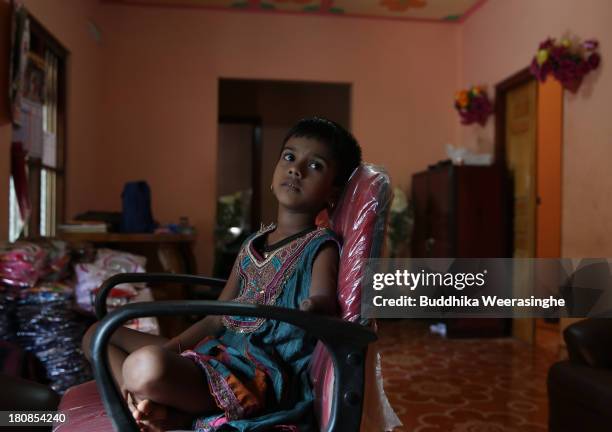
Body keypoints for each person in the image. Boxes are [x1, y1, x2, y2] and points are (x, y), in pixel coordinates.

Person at [82, 117, 362, 432]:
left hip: (253, 376)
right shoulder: (251, 244)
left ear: (333, 193)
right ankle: (143, 405)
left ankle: (159, 404)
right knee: (97, 335)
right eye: (289, 157)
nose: (296, 168)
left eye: (316, 166)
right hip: (215, 353)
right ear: (274, 175)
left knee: (145, 365)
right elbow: (217, 317)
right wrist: (172, 347)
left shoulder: (319, 246)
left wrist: (316, 305)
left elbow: (323, 303)